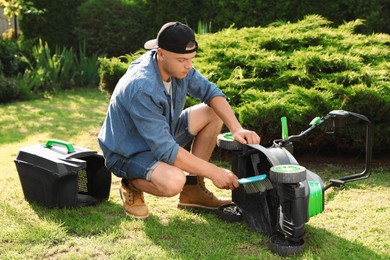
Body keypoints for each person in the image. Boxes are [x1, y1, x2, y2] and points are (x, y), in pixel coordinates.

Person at [98, 22, 260, 219]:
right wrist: (214, 172)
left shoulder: (177, 66)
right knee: (174, 181)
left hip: (160, 134)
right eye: (182, 60)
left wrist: (237, 128)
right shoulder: (141, 87)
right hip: (128, 152)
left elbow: (211, 92)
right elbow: (165, 150)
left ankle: (193, 190)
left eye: (191, 59)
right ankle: (131, 184)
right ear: (161, 53)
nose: (189, 66)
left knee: (213, 112)